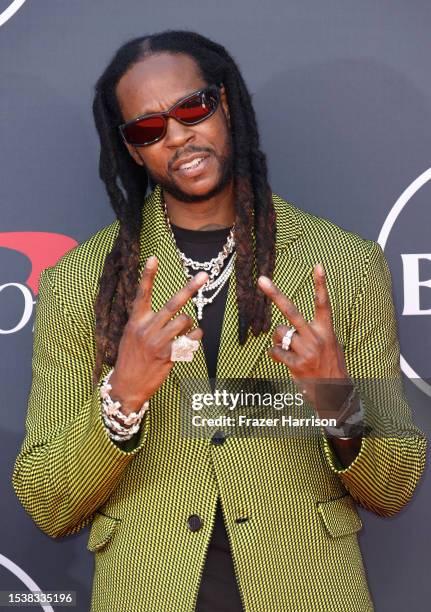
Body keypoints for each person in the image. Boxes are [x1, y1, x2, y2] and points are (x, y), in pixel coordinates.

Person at [12, 30, 426, 612]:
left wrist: (336, 398)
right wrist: (123, 399)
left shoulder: (339, 265)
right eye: (149, 129)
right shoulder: (82, 284)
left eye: (192, 108)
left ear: (225, 103)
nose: (178, 136)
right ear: (133, 150)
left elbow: (392, 486)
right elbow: (48, 504)